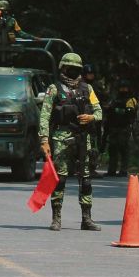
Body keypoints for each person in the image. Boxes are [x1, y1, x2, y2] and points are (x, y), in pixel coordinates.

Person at [39, 53, 103, 232]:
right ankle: (56, 218)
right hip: (61, 139)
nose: (73, 71)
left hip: (83, 139)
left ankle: (86, 219)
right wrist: (44, 139)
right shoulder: (54, 89)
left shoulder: (87, 89)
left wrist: (91, 117)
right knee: (60, 179)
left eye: (76, 69)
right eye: (69, 68)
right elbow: (44, 116)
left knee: (86, 180)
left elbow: (99, 112)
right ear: (63, 68)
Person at [103, 80, 138, 177]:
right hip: (113, 128)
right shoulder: (114, 99)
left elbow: (130, 113)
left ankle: (123, 170)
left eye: (125, 88)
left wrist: (116, 110)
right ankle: (111, 170)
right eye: (121, 88)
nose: (123, 89)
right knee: (112, 149)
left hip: (124, 128)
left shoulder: (131, 100)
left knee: (124, 149)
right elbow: (108, 110)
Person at [82, 64, 104, 178]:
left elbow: (100, 105)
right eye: (88, 74)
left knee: (93, 146)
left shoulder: (94, 87)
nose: (90, 76)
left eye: (92, 74)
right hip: (82, 120)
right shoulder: (80, 86)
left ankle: (91, 168)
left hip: (94, 120)